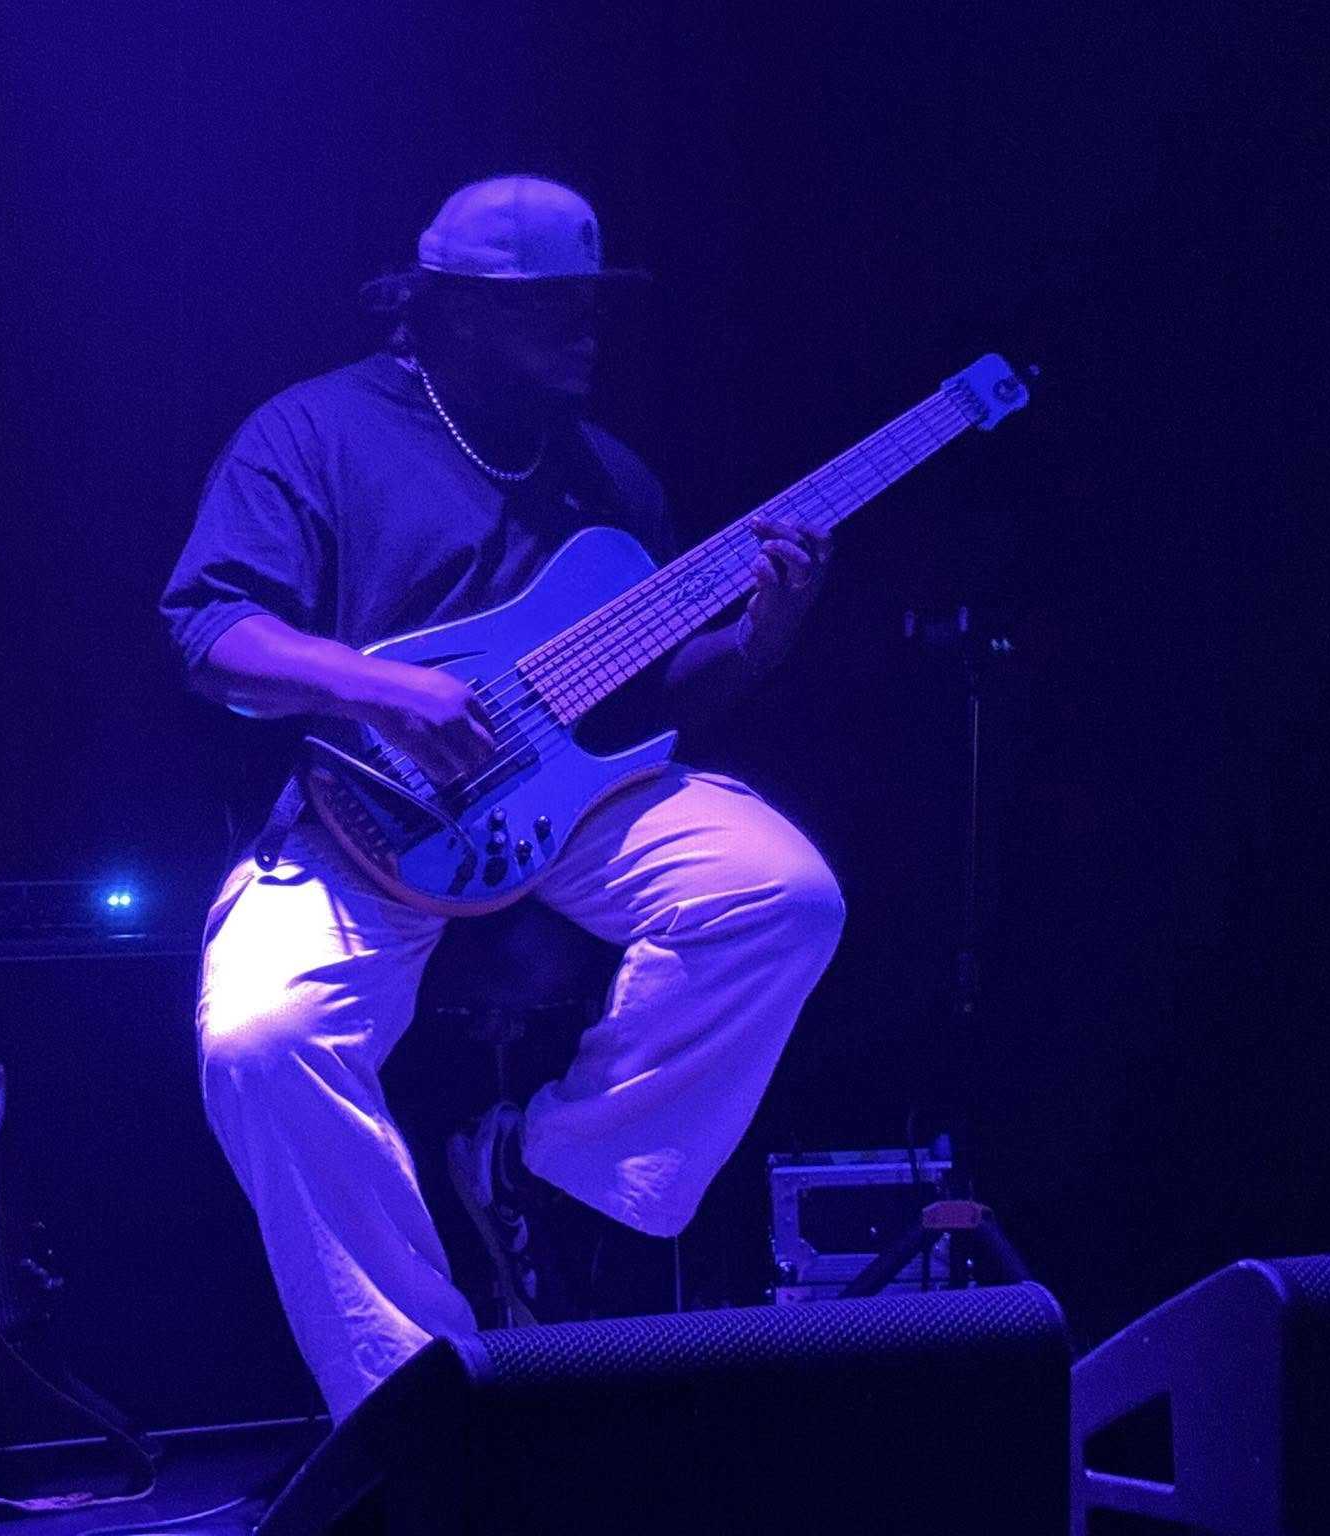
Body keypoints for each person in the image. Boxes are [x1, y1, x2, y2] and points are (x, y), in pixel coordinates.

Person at [159, 175, 844, 1420]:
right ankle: (415, 1400)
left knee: (780, 895)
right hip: (365, 813)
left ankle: (552, 1171)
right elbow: (211, 634)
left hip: (572, 801)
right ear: (454, 309)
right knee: (261, 1041)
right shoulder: (312, 432)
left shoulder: (608, 477)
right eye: (555, 306)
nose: (589, 329)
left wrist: (759, 637)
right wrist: (379, 689)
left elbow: (647, 701)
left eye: (595, 304)